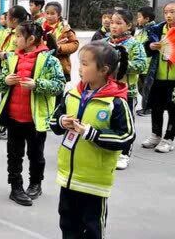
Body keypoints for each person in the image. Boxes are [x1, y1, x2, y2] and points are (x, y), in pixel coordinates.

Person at [50, 41, 135, 239]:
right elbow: (53, 121)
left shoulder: (116, 102)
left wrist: (92, 133)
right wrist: (63, 121)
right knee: (67, 223)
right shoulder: (72, 93)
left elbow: (127, 136)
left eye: (85, 64)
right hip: (69, 177)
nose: (80, 68)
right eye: (80, 63)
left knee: (92, 227)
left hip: (94, 181)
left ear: (103, 70)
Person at [0, 21, 65, 206]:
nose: (15, 40)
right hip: (14, 117)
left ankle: (35, 184)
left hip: (36, 119)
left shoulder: (49, 60)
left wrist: (37, 85)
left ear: (31, 39)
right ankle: (16, 186)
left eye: (18, 36)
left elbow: (60, 85)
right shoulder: (11, 59)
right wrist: (5, 80)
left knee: (35, 154)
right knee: (14, 154)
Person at [104, 9, 147, 170]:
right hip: (105, 90)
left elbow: (142, 65)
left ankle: (124, 153)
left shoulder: (134, 44)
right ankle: (108, 147)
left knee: (125, 123)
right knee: (107, 119)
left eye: (118, 23)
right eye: (112, 22)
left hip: (126, 92)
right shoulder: (105, 42)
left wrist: (122, 65)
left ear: (129, 25)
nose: (113, 26)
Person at [0, 6, 30, 140]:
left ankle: (3, 128)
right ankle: (4, 127)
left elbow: (24, 52)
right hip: (6, 68)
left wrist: (7, 55)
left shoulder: (22, 32)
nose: (5, 18)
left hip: (16, 70)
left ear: (14, 19)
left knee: (8, 101)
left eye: (7, 16)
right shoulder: (8, 31)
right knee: (5, 99)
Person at [141, 2, 175, 153]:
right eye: (166, 12)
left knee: (173, 109)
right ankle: (155, 135)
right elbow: (146, 49)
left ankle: (168, 138)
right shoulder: (157, 29)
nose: (169, 15)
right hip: (158, 76)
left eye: (172, 12)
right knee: (156, 107)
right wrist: (150, 46)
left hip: (174, 79)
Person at [136, 6, 156, 116]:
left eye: (139, 17)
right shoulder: (143, 30)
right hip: (142, 64)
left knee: (146, 88)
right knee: (142, 88)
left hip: (148, 64)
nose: (137, 19)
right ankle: (148, 107)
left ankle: (148, 108)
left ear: (147, 19)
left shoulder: (152, 30)